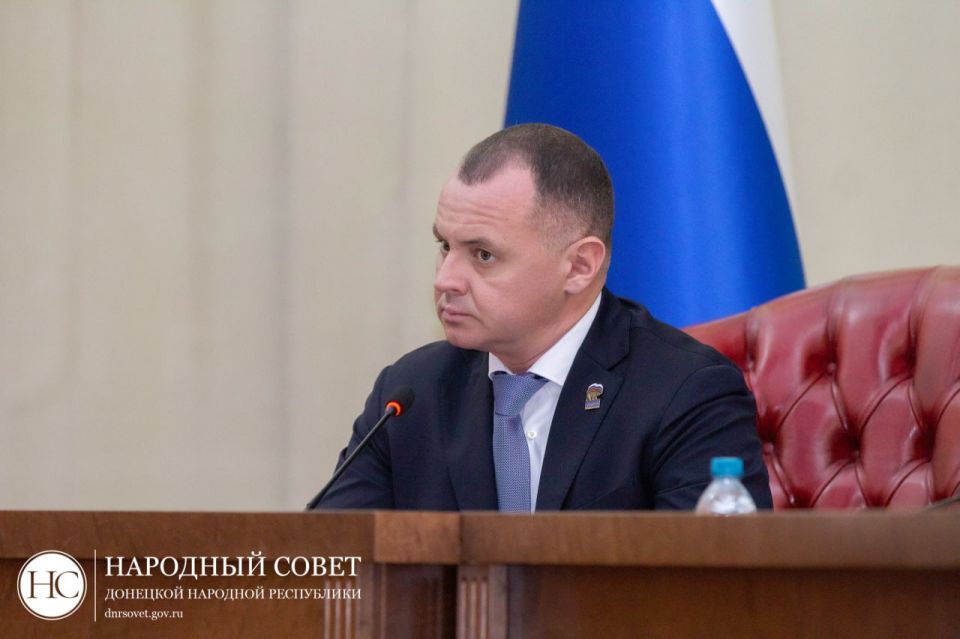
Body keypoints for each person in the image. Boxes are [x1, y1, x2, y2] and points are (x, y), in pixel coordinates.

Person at [311, 123, 772, 511]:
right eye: (444, 246)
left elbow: (709, 583)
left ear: (579, 266)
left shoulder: (685, 393)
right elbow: (330, 562)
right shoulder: (409, 395)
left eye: (483, 254)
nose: (445, 279)